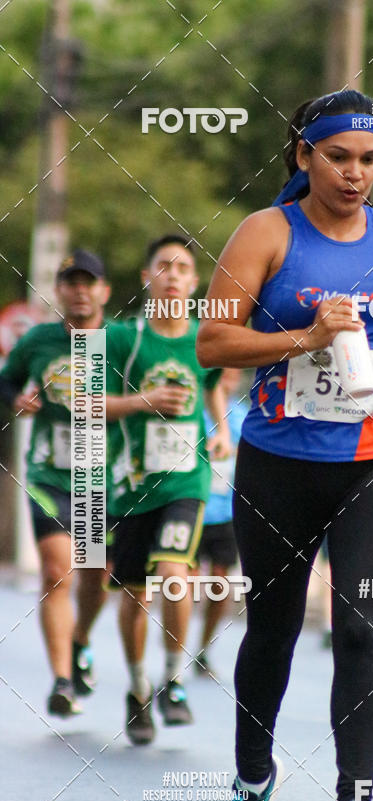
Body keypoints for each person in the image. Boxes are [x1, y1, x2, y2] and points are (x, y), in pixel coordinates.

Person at [197, 90, 373, 801]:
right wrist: (305, 336)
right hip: (280, 461)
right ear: (304, 155)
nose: (355, 173)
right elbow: (212, 342)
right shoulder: (266, 233)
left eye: (369, 159)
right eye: (338, 157)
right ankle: (252, 779)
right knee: (271, 631)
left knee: (360, 628)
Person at [105, 234, 230, 746]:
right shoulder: (122, 338)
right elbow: (86, 404)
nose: (172, 275)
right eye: (163, 266)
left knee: (176, 573)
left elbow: (213, 385)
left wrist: (220, 429)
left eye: (182, 268)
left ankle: (173, 680)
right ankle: (138, 688)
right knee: (135, 593)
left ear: (194, 282)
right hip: (132, 486)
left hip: (187, 480)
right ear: (147, 277)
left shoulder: (205, 338)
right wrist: (143, 402)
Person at [0, 250, 112, 717]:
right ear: (60, 291)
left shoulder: (119, 341)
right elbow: (5, 382)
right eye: (71, 283)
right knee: (55, 572)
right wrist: (16, 399)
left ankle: (80, 638)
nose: (80, 291)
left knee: (97, 575)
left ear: (104, 291)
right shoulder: (39, 340)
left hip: (103, 477)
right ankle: (63, 681)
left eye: (88, 282)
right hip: (49, 474)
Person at [194, 368, 247, 679]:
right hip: (194, 506)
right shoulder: (194, 412)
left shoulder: (241, 416)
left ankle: (203, 649)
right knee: (182, 583)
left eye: (234, 372)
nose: (229, 377)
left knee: (219, 584)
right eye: (223, 372)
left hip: (227, 512)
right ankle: (175, 647)